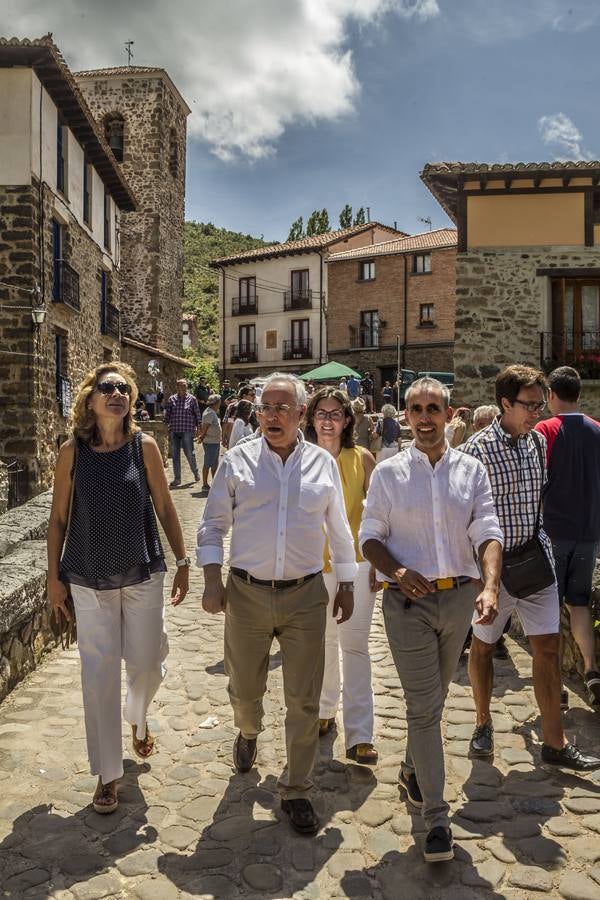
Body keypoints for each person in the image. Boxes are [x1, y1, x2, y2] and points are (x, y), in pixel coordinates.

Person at [197, 373, 356, 836]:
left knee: (304, 702)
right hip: (246, 594)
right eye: (266, 407)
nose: (272, 415)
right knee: (245, 692)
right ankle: (248, 731)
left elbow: (340, 531)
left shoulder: (322, 466)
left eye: (283, 407)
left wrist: (345, 584)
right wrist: (212, 578)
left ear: (302, 415)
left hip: (306, 595)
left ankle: (298, 788)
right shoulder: (238, 461)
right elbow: (211, 526)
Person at [360, 376, 503, 862]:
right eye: (415, 409)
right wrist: (396, 570)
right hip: (408, 606)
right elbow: (370, 535)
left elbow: (486, 530)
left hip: (459, 600)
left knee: (435, 699)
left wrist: (489, 585)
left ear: (449, 415)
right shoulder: (388, 472)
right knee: (425, 708)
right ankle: (437, 820)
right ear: (405, 416)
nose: (424, 417)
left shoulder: (472, 471)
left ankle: (410, 766)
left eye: (433, 408)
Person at [46, 363, 189, 815]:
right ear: (90, 399)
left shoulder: (143, 447)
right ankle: (108, 776)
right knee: (98, 676)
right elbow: (57, 519)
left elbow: (164, 505)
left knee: (147, 661)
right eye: (107, 388)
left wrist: (183, 561)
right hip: (87, 576)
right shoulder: (73, 451)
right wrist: (53, 578)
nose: (117, 394)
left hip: (141, 570)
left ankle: (137, 716)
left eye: (124, 388)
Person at [462, 365, 600, 771]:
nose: (538, 412)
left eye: (541, 404)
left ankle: (555, 744)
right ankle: (483, 722)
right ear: (506, 403)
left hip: (536, 560)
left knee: (549, 647)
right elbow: (462, 516)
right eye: (530, 405)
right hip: (494, 571)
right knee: (484, 647)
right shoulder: (475, 451)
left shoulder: (537, 444)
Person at [304, 388, 378, 764]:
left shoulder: (361, 459)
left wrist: (378, 563)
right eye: (321, 413)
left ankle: (361, 734)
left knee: (355, 646)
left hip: (357, 566)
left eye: (336, 413)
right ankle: (324, 710)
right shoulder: (299, 459)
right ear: (311, 418)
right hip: (312, 568)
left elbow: (380, 515)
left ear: (348, 420)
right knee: (323, 644)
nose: (328, 420)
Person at [535, 366, 600, 707]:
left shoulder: (546, 429)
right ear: (579, 394)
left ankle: (555, 684)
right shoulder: (597, 430)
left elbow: (535, 480)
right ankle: (591, 670)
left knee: (548, 608)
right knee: (580, 603)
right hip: (589, 532)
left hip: (554, 533)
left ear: (551, 395)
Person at [164, 379, 201, 487]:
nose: (184, 387)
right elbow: (168, 415)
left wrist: (199, 427)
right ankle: (177, 479)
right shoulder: (172, 399)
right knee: (175, 455)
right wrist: (166, 426)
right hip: (174, 430)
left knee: (189, 453)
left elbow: (197, 414)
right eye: (181, 386)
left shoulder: (192, 399)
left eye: (185, 385)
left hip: (187, 429)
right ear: (177, 387)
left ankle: (195, 472)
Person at [197, 394, 222, 490]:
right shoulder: (210, 413)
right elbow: (205, 427)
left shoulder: (211, 412)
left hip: (214, 441)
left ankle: (214, 482)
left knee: (214, 463)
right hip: (210, 442)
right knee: (208, 463)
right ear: (216, 403)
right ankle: (205, 484)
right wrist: (201, 436)